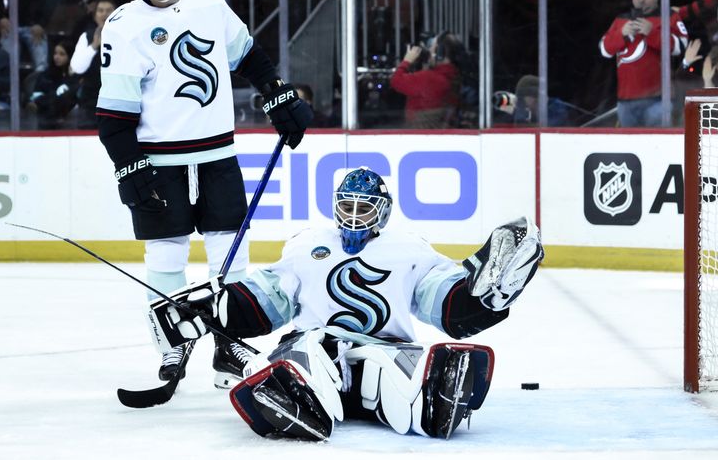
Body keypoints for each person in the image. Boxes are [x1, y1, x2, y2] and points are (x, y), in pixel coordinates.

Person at [146, 167, 544, 440]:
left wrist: (484, 299)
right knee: (306, 355)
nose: (353, 217)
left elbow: (441, 299)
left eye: (363, 207)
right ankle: (290, 395)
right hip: (316, 344)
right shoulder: (306, 246)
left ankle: (433, 400)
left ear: (383, 212)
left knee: (397, 373)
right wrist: (211, 310)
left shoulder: (409, 249)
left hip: (384, 348)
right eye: (347, 206)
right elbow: (269, 297)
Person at [95, 0, 312, 388]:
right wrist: (129, 166)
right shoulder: (123, 25)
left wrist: (278, 96)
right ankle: (173, 343)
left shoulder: (209, 5)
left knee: (230, 250)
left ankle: (228, 343)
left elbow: (249, 56)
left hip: (217, 151)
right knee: (167, 252)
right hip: (159, 160)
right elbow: (113, 117)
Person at [599, 0, 689, 127]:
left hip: (658, 101)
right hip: (625, 102)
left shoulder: (669, 16)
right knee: (629, 147)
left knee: (658, 145)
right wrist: (622, 34)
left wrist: (652, 33)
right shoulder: (621, 20)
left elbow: (681, 47)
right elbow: (604, 50)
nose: (641, 0)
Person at [390, 31, 459, 128]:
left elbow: (396, 81)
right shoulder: (452, 75)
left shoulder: (429, 78)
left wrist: (407, 61)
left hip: (419, 132)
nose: (429, 50)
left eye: (432, 47)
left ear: (439, 54)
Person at [71, 0, 116, 129]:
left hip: (118, 100)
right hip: (91, 102)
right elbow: (77, 68)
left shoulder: (127, 36)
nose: (104, 14)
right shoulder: (86, 36)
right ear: (95, 15)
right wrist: (93, 47)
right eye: (100, 10)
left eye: (109, 10)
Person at [28, 39, 79, 129]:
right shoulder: (46, 75)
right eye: (55, 53)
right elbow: (38, 98)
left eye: (62, 54)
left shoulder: (76, 76)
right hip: (47, 119)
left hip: (71, 121)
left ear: (70, 56)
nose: (57, 57)